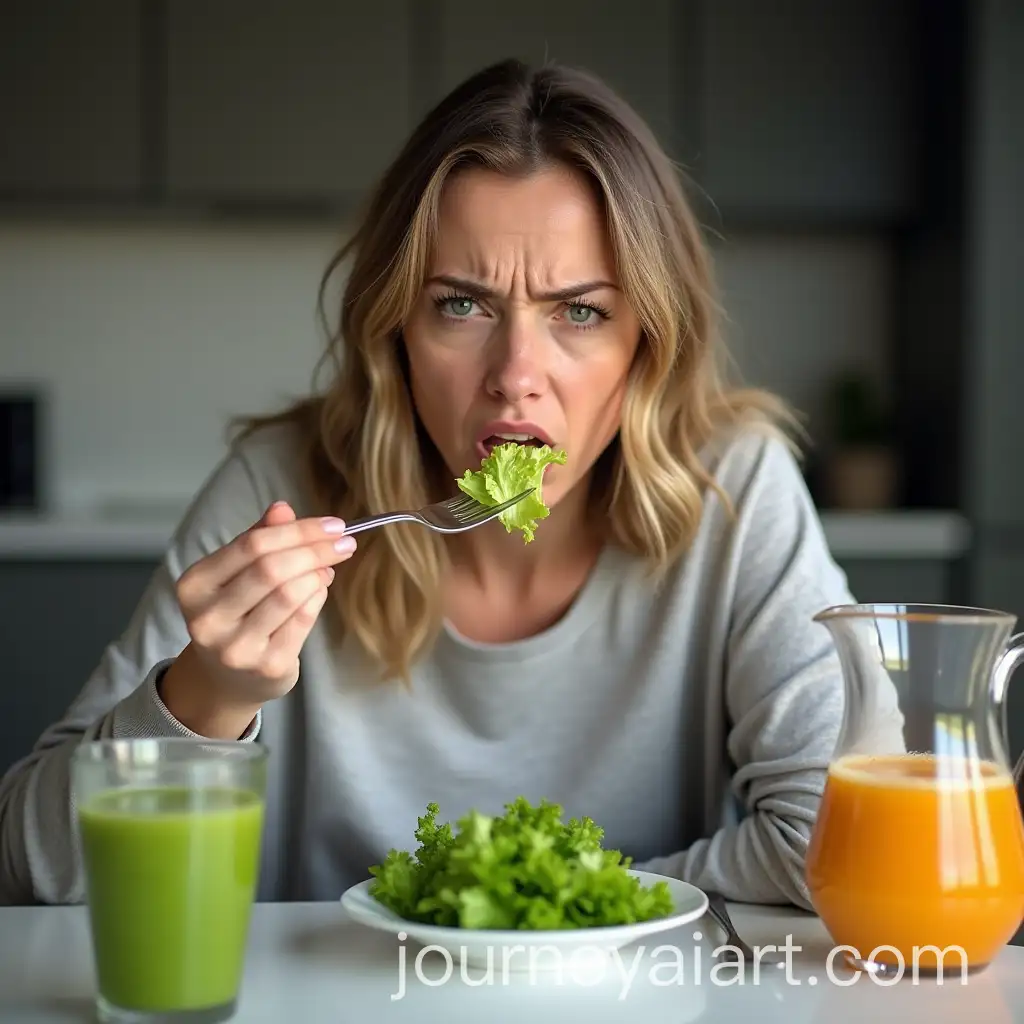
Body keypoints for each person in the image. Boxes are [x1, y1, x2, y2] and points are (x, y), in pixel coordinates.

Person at [0, 59, 895, 909]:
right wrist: (206, 696)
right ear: (396, 330)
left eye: (579, 312)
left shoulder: (731, 488)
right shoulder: (282, 485)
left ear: (646, 347)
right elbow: (34, 874)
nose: (515, 372)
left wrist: (533, 916)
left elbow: (854, 836)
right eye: (461, 304)